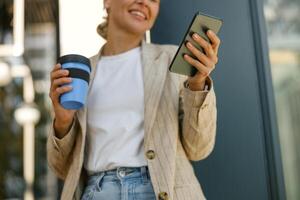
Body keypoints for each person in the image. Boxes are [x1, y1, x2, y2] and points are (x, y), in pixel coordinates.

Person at [47, 0, 221, 199]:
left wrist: (198, 85)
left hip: (161, 190)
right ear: (107, 2)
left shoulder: (172, 60)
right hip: (99, 193)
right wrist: (63, 122)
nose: (144, 2)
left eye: (154, 0)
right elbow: (61, 168)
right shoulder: (81, 73)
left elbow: (198, 149)